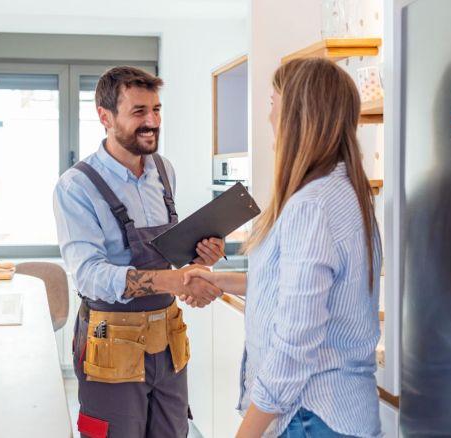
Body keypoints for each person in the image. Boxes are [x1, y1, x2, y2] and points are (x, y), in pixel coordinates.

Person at [184, 58, 383, 437]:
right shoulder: (344, 193)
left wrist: (247, 432)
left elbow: (295, 344)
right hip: (341, 413)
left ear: (297, 116)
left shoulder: (312, 206)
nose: (269, 117)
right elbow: (292, 289)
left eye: (273, 103)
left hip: (310, 415)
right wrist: (220, 280)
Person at [53, 65, 226, 438]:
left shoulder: (164, 171)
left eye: (157, 110)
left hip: (168, 342)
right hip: (110, 345)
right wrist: (177, 279)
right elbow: (90, 275)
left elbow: (166, 255)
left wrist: (198, 259)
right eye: (138, 112)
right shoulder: (76, 187)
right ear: (105, 117)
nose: (152, 122)